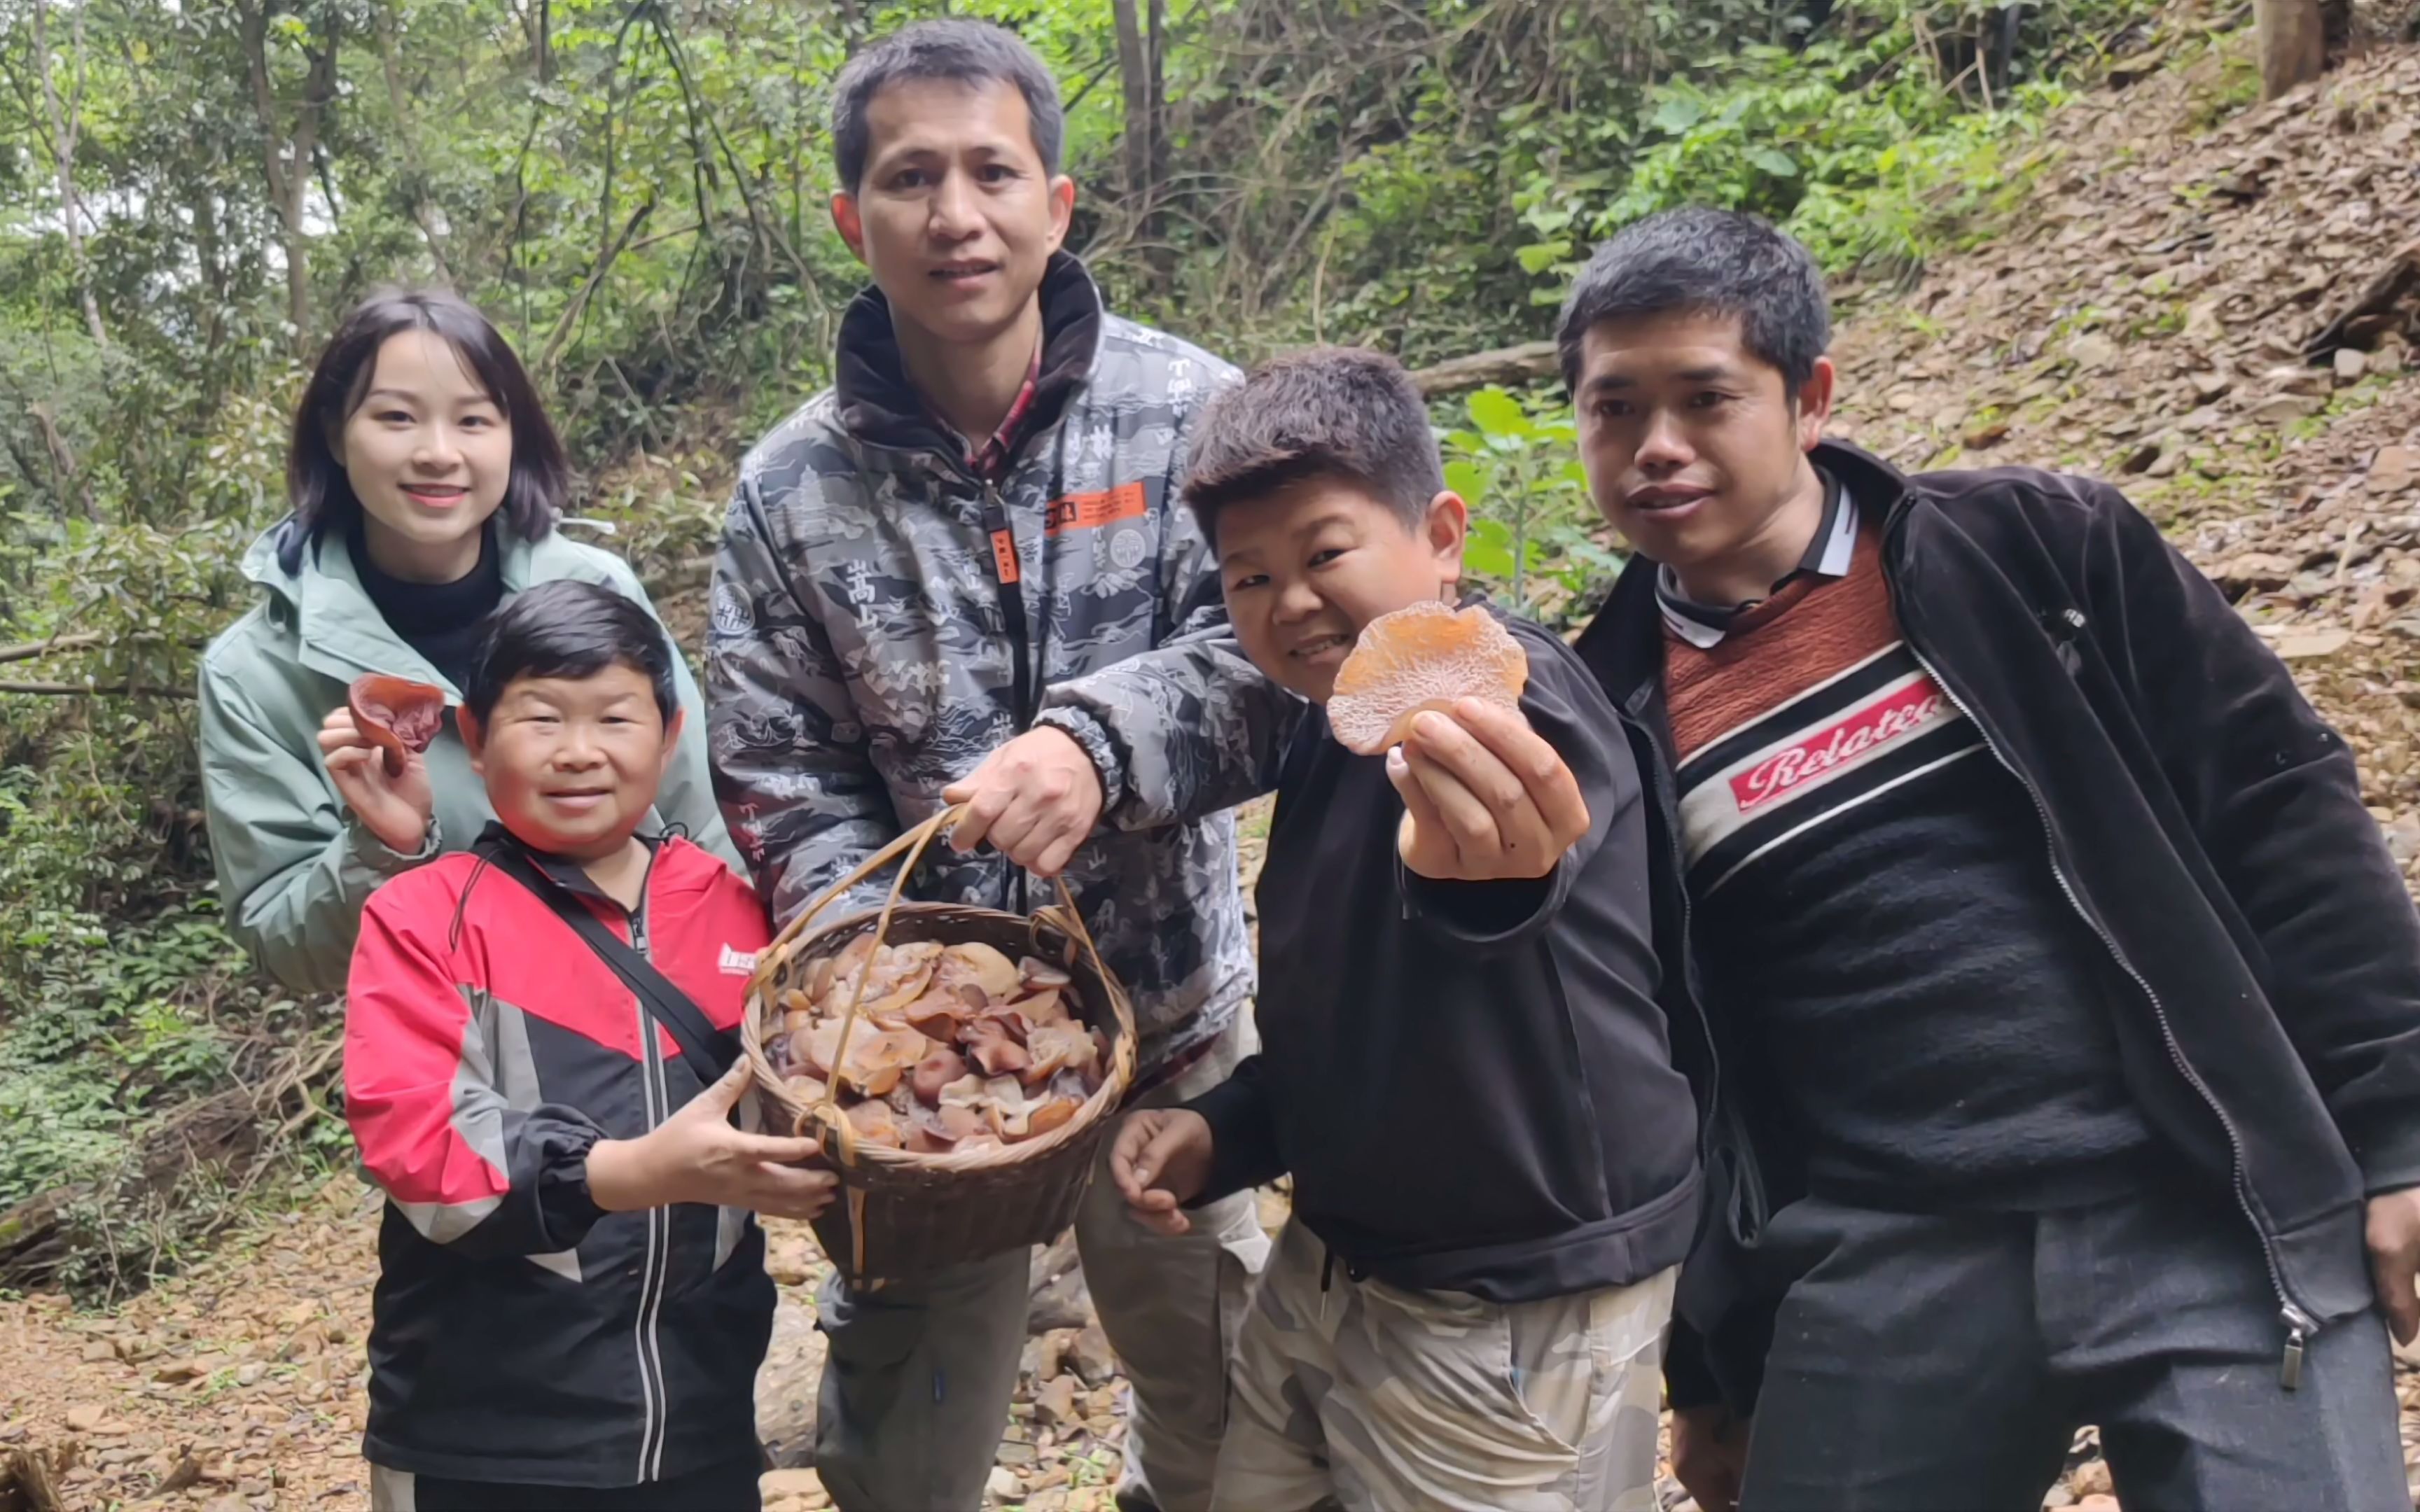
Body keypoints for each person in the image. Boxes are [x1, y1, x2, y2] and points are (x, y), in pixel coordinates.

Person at [1554, 206, 2420, 1511]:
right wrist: (1712, 1371)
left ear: (1811, 399)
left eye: (1702, 399)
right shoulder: (1602, 712)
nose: (1656, 448)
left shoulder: (2037, 552)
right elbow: (1652, 1062)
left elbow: (2281, 812)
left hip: (2198, 1195)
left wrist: (2398, 1132)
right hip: (1883, 1253)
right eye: (1614, 410)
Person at [703, 20, 1292, 1511]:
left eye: (990, 171)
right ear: (852, 219)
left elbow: (1287, 661)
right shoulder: (791, 490)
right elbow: (777, 762)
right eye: (910, 178)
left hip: (1169, 1027)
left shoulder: (1192, 419)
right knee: (905, 1433)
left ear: (1057, 202)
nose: (953, 214)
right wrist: (898, 992)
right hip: (906, 1101)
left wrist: (1104, 745)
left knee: (1219, 1394)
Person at [1104, 348, 1702, 1512]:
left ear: (1441, 535)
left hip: (1515, 1305)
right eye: (1247, 578)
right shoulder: (1334, 724)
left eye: (1326, 553)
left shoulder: (1503, 693)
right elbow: (1363, 1021)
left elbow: (1517, 872)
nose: (1289, 602)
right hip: (1337, 1262)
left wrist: (1485, 887)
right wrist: (1222, 1134)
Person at [346, 580, 833, 1512]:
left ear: (670, 731)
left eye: (614, 717)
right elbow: (420, 1143)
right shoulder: (423, 916)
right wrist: (633, 1170)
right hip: (481, 1438)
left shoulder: (739, 909)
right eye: (540, 719)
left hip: (702, 1423)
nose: (578, 753)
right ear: (476, 741)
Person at [198, 288, 737, 997]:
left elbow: (705, 813)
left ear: (513, 437)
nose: (439, 454)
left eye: (474, 420)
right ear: (334, 433)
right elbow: (287, 947)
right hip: (462, 1061)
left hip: (666, 1005)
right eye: (396, 417)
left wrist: (747, 981)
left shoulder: (595, 585)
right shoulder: (256, 673)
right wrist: (384, 849)